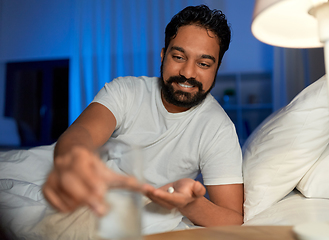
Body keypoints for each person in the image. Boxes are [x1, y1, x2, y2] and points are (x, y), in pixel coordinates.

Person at [42, 4, 244, 229]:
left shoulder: (218, 128)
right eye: (178, 57)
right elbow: (82, 133)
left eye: (203, 64)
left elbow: (233, 218)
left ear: (216, 68)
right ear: (162, 55)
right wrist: (74, 160)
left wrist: (189, 204)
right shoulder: (125, 91)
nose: (188, 73)